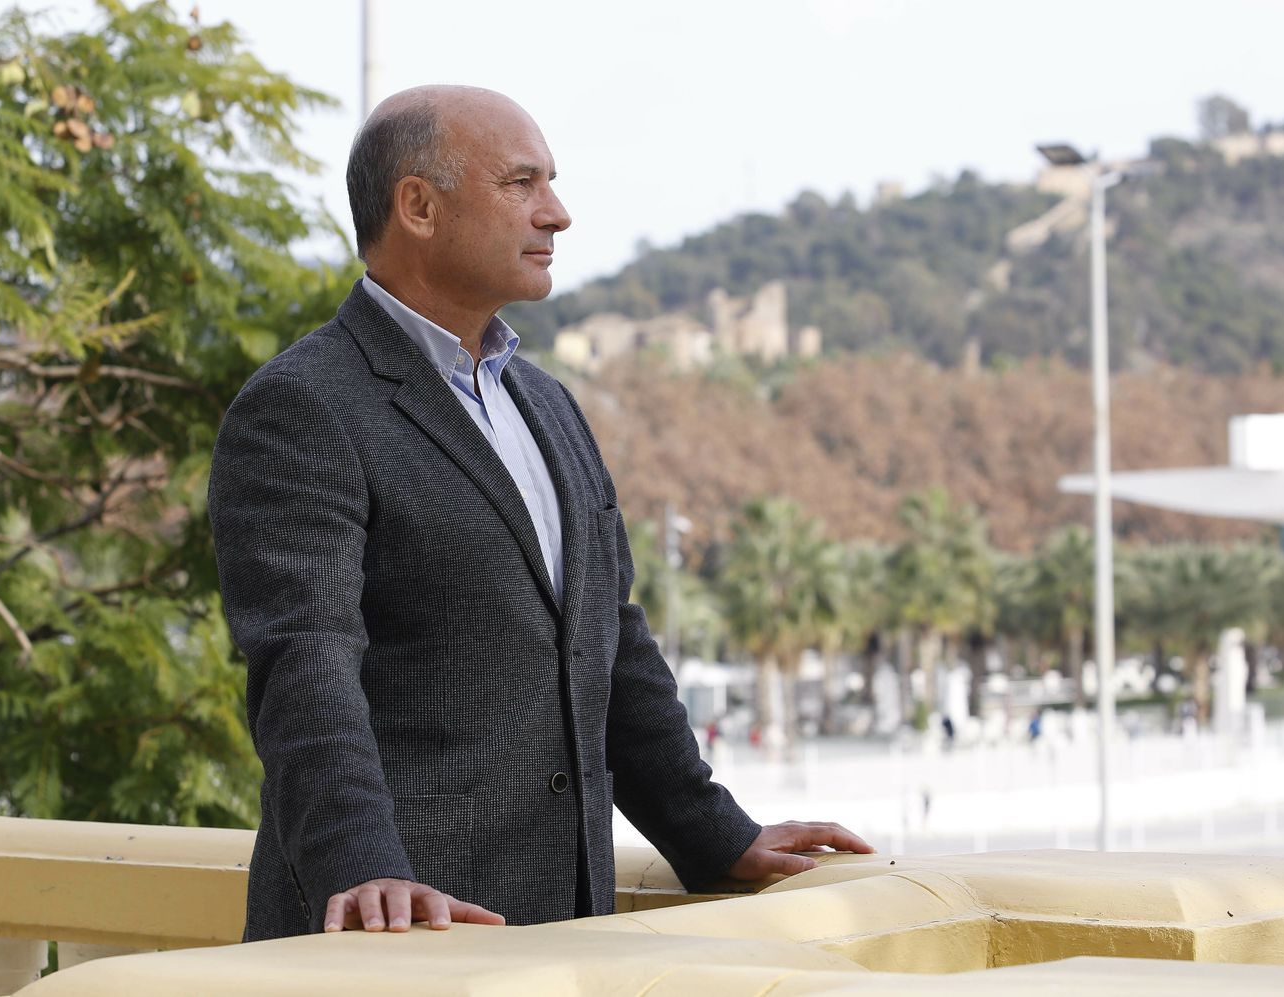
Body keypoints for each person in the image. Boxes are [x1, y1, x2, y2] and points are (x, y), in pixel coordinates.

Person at [208, 85, 870, 941]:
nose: (556, 213)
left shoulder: (548, 405)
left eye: (549, 183)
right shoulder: (303, 405)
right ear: (418, 206)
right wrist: (362, 865)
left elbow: (608, 640)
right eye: (521, 183)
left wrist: (716, 835)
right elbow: (305, 662)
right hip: (397, 937)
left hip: (566, 934)